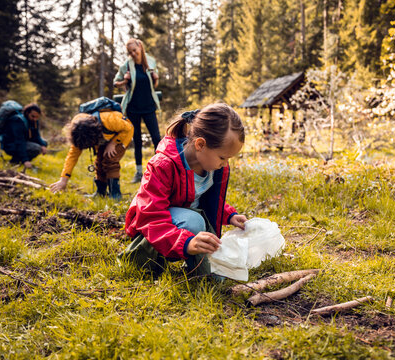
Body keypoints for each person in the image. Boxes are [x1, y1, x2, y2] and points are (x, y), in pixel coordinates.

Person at [124, 103, 248, 277]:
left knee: (221, 272)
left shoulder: (214, 167)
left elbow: (202, 197)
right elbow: (150, 215)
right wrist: (186, 243)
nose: (225, 164)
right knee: (194, 221)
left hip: (187, 224)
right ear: (200, 144)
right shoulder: (163, 164)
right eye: (222, 157)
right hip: (154, 230)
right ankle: (138, 256)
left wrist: (229, 215)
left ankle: (199, 269)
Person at [49, 110, 133, 200]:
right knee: (99, 162)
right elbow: (72, 157)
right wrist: (63, 180)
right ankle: (101, 192)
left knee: (109, 159)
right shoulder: (77, 133)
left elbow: (128, 127)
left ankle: (115, 194)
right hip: (104, 138)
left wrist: (113, 143)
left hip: (122, 135)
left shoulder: (109, 120)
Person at [113, 38, 162, 183]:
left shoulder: (151, 62)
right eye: (130, 52)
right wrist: (124, 81)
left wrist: (156, 78)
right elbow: (116, 83)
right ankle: (139, 172)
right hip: (133, 107)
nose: (133, 54)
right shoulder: (127, 65)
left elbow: (155, 84)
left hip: (149, 106)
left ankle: (159, 170)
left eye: (134, 50)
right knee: (138, 141)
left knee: (156, 139)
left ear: (140, 47)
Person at [0, 103, 47, 169]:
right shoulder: (18, 121)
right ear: (27, 113)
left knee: (44, 143)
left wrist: (43, 145)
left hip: (22, 142)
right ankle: (16, 161)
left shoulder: (34, 121)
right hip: (10, 145)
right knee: (36, 148)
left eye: (37, 117)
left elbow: (36, 136)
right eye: (33, 116)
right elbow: (19, 142)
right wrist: (25, 160)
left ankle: (19, 161)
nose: (35, 119)